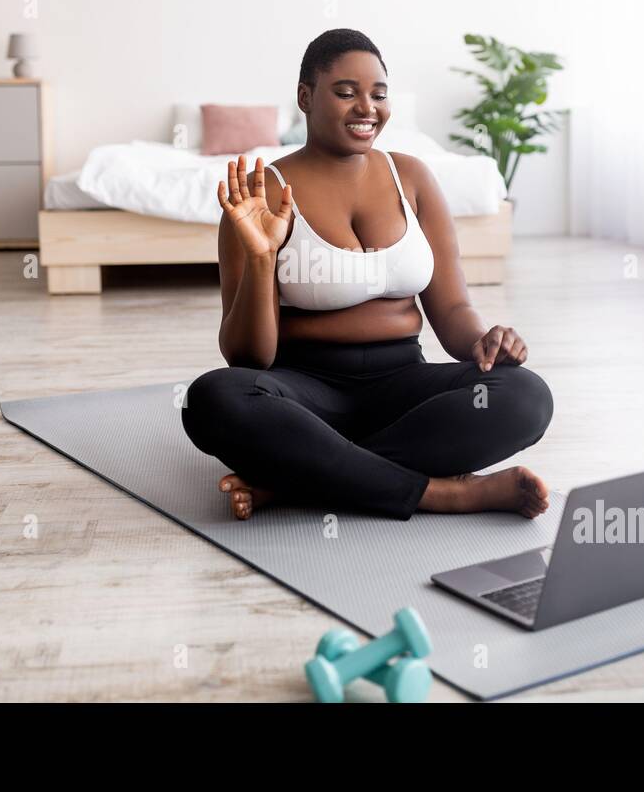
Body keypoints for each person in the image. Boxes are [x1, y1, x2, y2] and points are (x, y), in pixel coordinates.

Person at [181, 29, 552, 520]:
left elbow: (454, 311)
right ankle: (447, 493)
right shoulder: (261, 196)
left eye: (378, 94)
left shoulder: (413, 177)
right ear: (305, 97)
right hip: (302, 395)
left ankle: (296, 482)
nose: (366, 107)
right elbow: (249, 357)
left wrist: (489, 341)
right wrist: (262, 258)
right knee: (213, 399)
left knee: (525, 396)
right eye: (345, 92)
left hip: (402, 386)